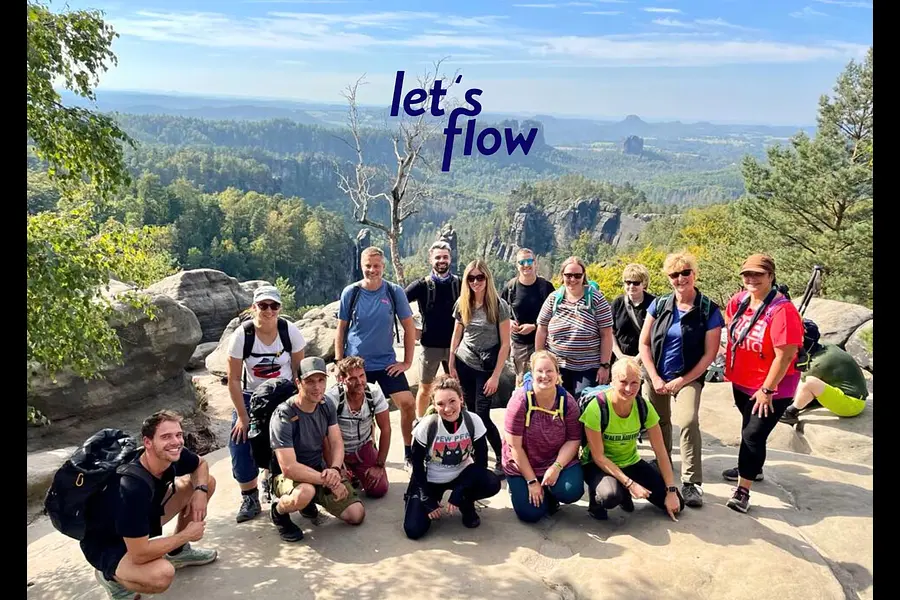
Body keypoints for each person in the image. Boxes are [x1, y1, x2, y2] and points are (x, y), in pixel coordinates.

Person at [81, 410, 218, 600]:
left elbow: (200, 464)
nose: (176, 442)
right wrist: (186, 535)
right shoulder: (131, 487)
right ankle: (111, 577)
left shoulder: (171, 454)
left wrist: (200, 491)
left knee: (206, 481)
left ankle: (178, 552)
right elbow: (140, 553)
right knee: (161, 575)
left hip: (139, 519)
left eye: (178, 435)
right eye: (166, 437)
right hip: (107, 541)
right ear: (147, 442)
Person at [638, 251, 723, 508]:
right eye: (674, 274)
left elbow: (709, 355)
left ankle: (691, 481)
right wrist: (654, 377)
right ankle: (663, 465)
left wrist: (683, 380)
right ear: (668, 278)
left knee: (687, 421)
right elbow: (644, 344)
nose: (680, 278)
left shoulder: (708, 309)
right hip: (657, 375)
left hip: (688, 377)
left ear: (694, 274)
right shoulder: (660, 305)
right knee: (658, 422)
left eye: (685, 273)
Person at [721, 254, 803, 514]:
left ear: (771, 276)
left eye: (758, 274)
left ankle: (743, 490)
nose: (751, 279)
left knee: (753, 435)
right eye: (747, 274)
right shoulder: (739, 301)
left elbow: (785, 355)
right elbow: (731, 331)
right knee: (750, 428)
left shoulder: (782, 310)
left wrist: (767, 389)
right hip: (742, 381)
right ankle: (752, 468)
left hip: (773, 388)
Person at [226, 285, 306, 523]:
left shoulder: (290, 332)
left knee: (297, 436)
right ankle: (249, 496)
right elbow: (233, 379)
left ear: (279, 308)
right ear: (254, 307)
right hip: (253, 395)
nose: (269, 311)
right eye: (263, 305)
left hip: (284, 393)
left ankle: (281, 481)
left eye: (274, 306)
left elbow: (298, 373)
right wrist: (243, 416)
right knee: (240, 441)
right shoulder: (242, 336)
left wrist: (300, 406)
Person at [336, 246, 417, 467]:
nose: (372, 270)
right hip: (356, 365)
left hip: (386, 363)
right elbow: (341, 329)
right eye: (368, 266)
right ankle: (366, 453)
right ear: (361, 266)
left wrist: (406, 362)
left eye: (377, 266)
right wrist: (339, 363)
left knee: (408, 403)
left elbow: (409, 327)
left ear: (383, 266)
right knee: (360, 411)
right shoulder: (351, 293)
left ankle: (409, 452)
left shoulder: (393, 292)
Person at [269, 356, 366, 542]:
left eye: (321, 380)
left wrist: (335, 469)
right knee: (305, 492)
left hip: (320, 470)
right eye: (310, 381)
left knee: (356, 514)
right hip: (288, 476)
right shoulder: (283, 415)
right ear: (298, 383)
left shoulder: (326, 404)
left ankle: (310, 502)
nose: (317, 387)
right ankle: (278, 511)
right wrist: (331, 482)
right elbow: (289, 468)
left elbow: (336, 442)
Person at [580, 358, 684, 522]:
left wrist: (671, 490)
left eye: (634, 383)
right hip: (598, 465)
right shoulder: (597, 408)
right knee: (610, 496)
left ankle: (630, 483)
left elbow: (661, 451)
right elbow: (598, 457)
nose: (629, 389)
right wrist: (630, 484)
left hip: (630, 461)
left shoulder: (644, 407)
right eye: (623, 382)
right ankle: (598, 501)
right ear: (612, 381)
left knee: (678, 505)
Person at [403, 375, 502, 539]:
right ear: (434, 405)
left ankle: (466, 501)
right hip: (432, 478)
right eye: (441, 404)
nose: (447, 409)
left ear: (461, 399)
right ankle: (422, 501)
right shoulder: (428, 425)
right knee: (413, 530)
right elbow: (417, 464)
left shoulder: (473, 421)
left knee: (491, 482)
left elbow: (481, 463)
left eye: (452, 401)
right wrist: (425, 496)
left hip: (462, 474)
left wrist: (460, 490)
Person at [502, 351, 584, 523]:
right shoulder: (520, 401)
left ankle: (549, 490)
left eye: (549, 371)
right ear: (532, 374)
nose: (544, 376)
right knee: (531, 514)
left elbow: (574, 439)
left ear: (557, 374)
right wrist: (532, 481)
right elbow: (514, 446)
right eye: (539, 371)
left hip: (553, 459)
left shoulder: (567, 402)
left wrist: (556, 467)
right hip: (522, 462)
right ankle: (520, 485)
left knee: (572, 491)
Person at [448, 259, 511, 475]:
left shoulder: (499, 305)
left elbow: (505, 344)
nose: (476, 282)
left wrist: (496, 376)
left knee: (482, 415)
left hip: (486, 368)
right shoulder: (462, 303)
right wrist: (451, 363)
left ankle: (501, 457)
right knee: (470, 414)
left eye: (480, 277)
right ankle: (477, 458)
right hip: (464, 362)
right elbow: (457, 335)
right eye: (471, 278)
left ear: (487, 278)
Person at [535, 256, 614, 397]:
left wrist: (605, 366)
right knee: (556, 404)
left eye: (577, 275)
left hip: (588, 367)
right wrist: (539, 362)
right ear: (562, 276)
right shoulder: (553, 299)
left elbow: (606, 335)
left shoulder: (596, 299)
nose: (572, 279)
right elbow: (542, 330)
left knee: (584, 403)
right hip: (556, 365)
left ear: (584, 276)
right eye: (568, 275)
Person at [405, 241, 461, 417]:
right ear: (430, 259)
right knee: (425, 388)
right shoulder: (421, 285)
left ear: (450, 259)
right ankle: (420, 423)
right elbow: (398, 304)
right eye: (438, 257)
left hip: (456, 346)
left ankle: (458, 422)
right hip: (430, 345)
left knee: (457, 388)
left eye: (445, 257)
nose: (441, 261)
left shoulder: (459, 283)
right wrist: (412, 328)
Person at [324, 356, 391, 498]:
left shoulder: (374, 392)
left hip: (363, 447)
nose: (360, 382)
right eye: (353, 378)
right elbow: (323, 436)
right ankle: (348, 472)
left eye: (362, 376)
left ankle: (357, 473)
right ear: (342, 379)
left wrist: (379, 465)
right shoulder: (332, 398)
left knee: (379, 489)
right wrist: (334, 468)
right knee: (341, 494)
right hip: (338, 451)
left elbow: (386, 429)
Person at [780, 324, 868, 425]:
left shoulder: (819, 363)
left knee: (808, 382)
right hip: (849, 394)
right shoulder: (824, 347)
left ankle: (789, 412)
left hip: (852, 405)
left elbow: (799, 384)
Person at [501, 248, 556, 386]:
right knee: (521, 381)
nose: (526, 265)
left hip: (544, 343)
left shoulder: (546, 287)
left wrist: (534, 326)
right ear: (517, 265)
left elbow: (556, 316)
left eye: (529, 261)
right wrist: (509, 322)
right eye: (522, 262)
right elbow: (500, 312)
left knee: (544, 380)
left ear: (535, 263)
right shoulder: (510, 288)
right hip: (519, 344)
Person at [611, 263, 656, 361]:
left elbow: (656, 335)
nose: (631, 286)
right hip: (621, 360)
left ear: (644, 284)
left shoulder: (654, 304)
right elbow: (610, 332)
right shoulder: (617, 303)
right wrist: (620, 356)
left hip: (647, 360)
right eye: (628, 282)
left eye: (636, 283)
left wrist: (638, 359)